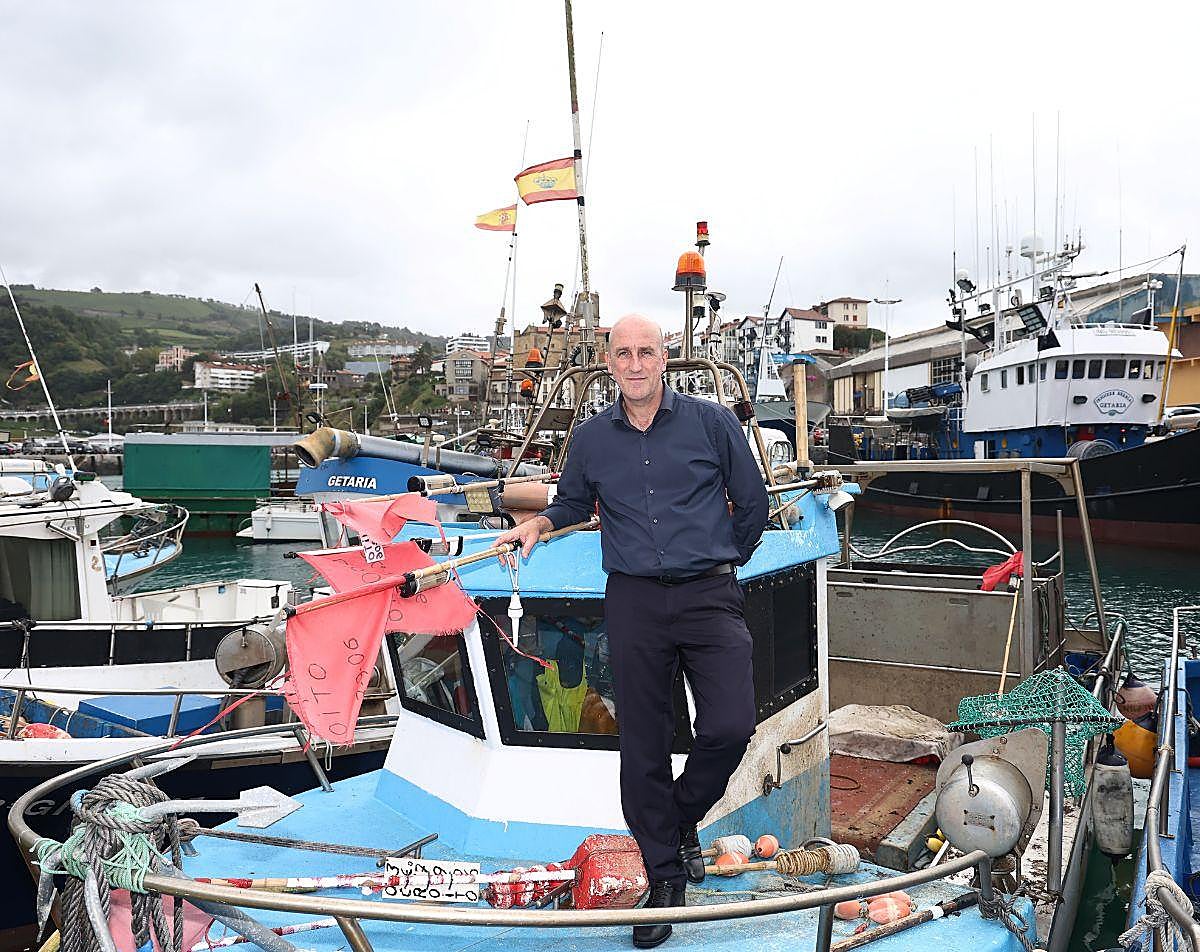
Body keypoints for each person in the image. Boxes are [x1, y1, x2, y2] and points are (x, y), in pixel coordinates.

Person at [496, 313, 768, 948]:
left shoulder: (712, 423)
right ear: (609, 362)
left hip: (708, 594)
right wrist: (537, 524)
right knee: (642, 742)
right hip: (634, 600)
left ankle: (676, 819)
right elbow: (572, 502)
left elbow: (752, 502)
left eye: (646, 351)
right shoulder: (592, 438)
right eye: (624, 353)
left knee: (730, 725)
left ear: (663, 357)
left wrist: (722, 558)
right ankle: (665, 878)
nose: (636, 363)